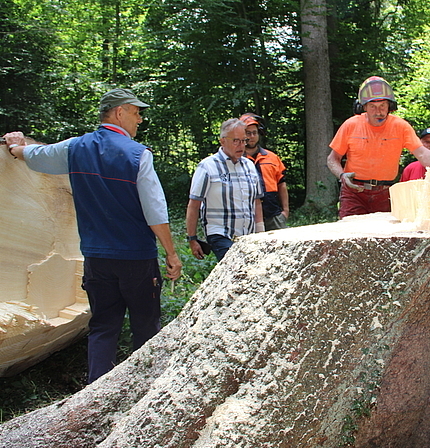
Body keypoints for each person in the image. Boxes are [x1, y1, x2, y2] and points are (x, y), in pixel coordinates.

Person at [2, 88, 182, 383]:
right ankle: (146, 389)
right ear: (119, 112)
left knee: (103, 326)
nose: (139, 120)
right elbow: (156, 213)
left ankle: (95, 392)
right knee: (146, 326)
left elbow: (35, 156)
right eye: (136, 113)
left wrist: (16, 147)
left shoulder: (75, 148)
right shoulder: (138, 155)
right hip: (136, 258)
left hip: (97, 259)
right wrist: (172, 255)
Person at [326, 76, 430, 218]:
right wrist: (342, 175)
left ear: (390, 106)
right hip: (354, 192)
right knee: (350, 233)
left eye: (382, 105)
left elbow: (421, 153)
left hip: (385, 192)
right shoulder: (350, 125)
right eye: (373, 106)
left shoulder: (400, 126)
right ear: (363, 107)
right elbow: (332, 159)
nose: (378, 111)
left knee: (384, 235)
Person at [186, 118, 264, 262]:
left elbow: (256, 201)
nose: (241, 145)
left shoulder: (249, 166)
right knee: (235, 267)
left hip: (248, 235)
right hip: (220, 233)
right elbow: (194, 204)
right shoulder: (207, 167)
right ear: (222, 141)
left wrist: (261, 232)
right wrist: (192, 238)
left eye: (244, 140)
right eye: (236, 141)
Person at [240, 113, 289, 230]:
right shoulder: (236, 160)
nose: (252, 136)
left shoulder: (272, 157)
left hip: (273, 215)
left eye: (254, 133)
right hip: (247, 217)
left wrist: (285, 211)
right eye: (248, 133)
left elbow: (282, 185)